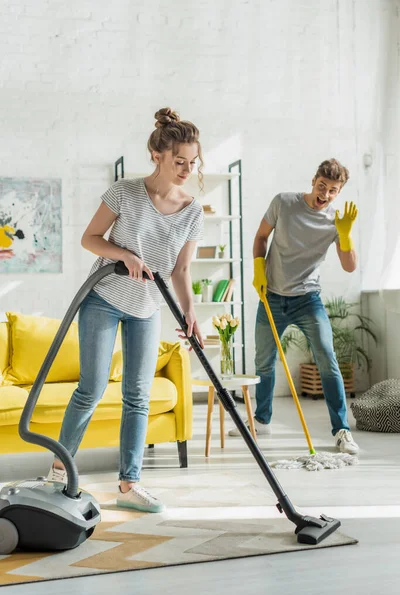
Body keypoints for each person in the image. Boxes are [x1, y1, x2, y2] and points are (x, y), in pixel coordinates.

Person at [47, 107, 205, 512]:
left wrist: (190, 313)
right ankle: (59, 474)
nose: (187, 169)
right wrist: (124, 255)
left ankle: (129, 484)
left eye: (193, 162)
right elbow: (91, 238)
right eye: (179, 161)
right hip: (103, 299)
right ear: (158, 155)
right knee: (92, 388)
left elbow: (182, 270)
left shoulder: (192, 210)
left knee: (138, 395)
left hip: (148, 307)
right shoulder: (125, 192)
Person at [229, 158, 360, 455]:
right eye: (322, 186)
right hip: (271, 295)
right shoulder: (284, 203)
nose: (324, 194)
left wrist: (345, 235)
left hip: (307, 300)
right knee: (264, 361)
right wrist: (258, 268)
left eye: (332, 190)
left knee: (327, 359)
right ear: (313, 181)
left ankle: (341, 430)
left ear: (339, 193)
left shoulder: (335, 222)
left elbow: (349, 266)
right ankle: (261, 421)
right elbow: (261, 237)